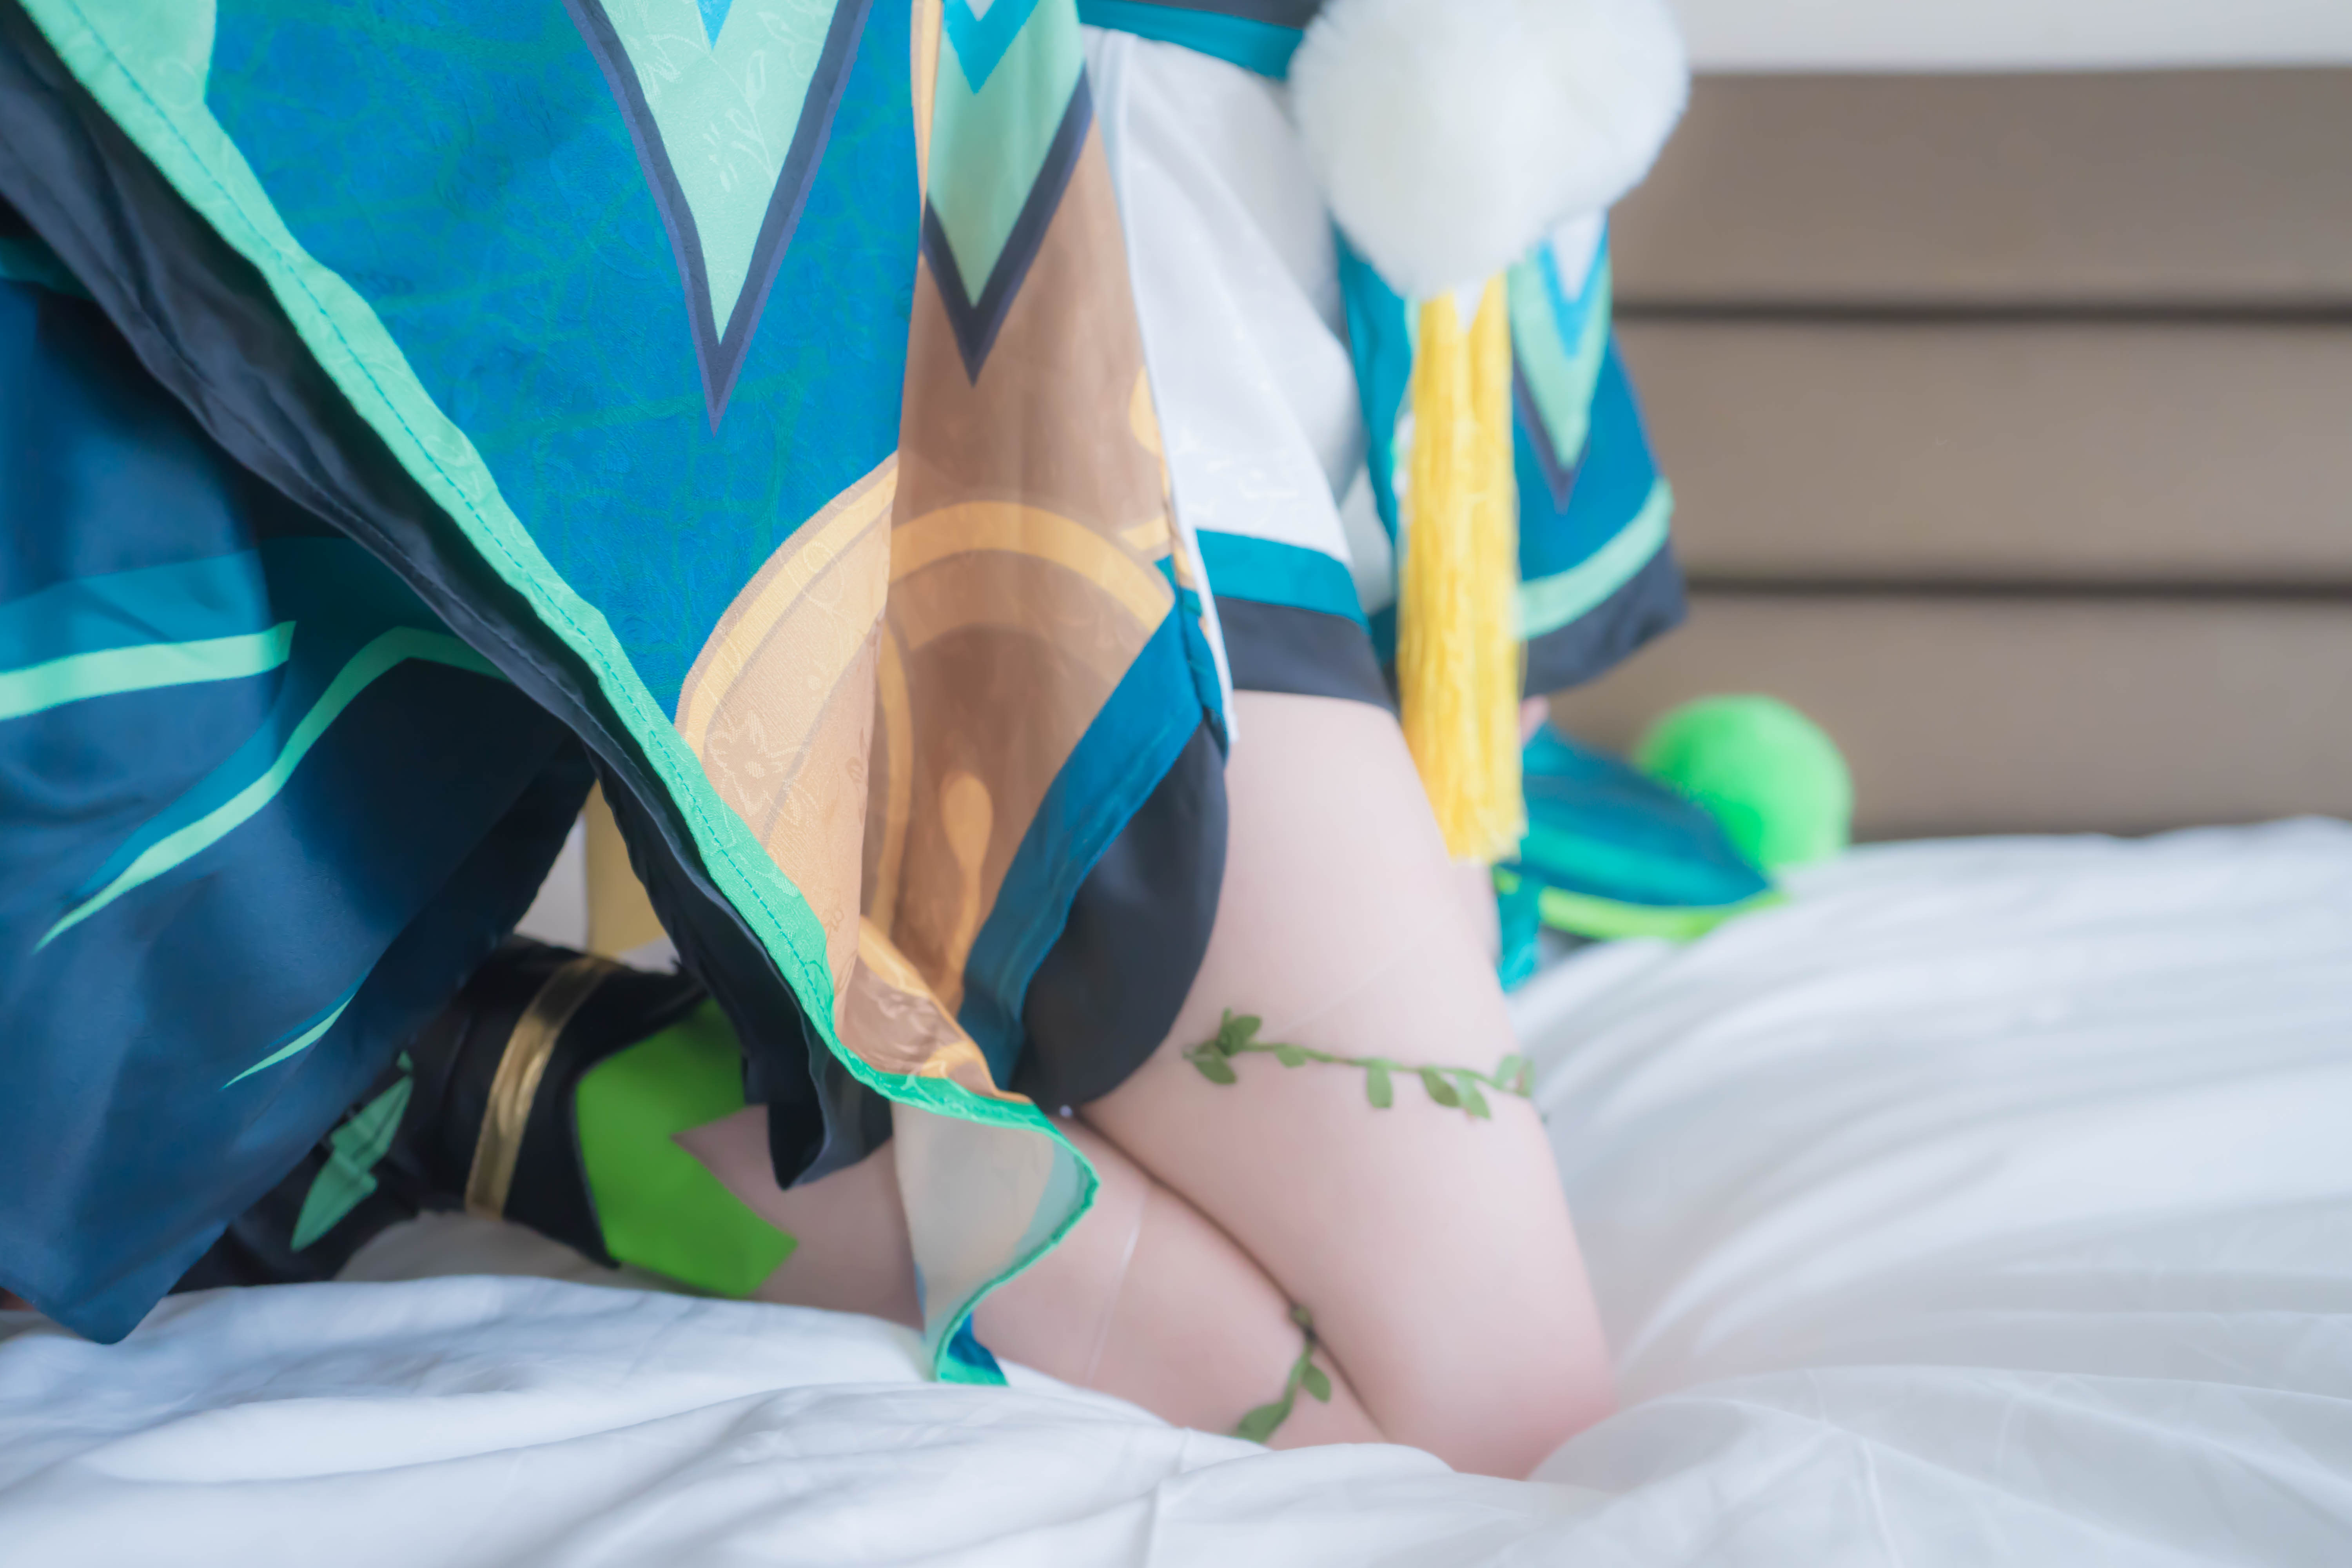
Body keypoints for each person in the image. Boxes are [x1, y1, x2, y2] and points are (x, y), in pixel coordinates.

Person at [0, 0, 1685, 1479]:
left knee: (1466, 1356)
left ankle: (448, 1078)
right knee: (1481, 1410)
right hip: (1056, 295)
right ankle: (436, 1079)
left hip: (1334, 335)